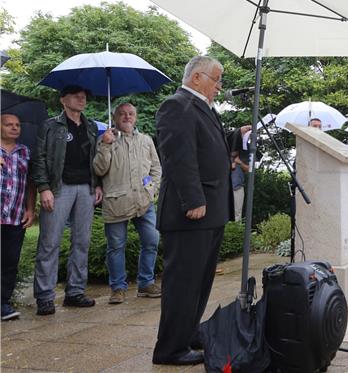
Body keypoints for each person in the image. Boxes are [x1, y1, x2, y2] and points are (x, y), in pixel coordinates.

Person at [152, 55, 248, 366]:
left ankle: (187, 332)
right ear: (196, 78)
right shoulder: (176, 105)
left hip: (211, 210)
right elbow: (179, 157)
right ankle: (169, 348)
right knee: (183, 282)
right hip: (190, 211)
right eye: (215, 79)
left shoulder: (203, 108)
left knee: (200, 280)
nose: (219, 86)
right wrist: (193, 200)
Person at [32, 85, 102, 316]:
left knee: (81, 242)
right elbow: (39, 157)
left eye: (84, 96)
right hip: (58, 188)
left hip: (86, 188)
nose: (82, 99)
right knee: (49, 243)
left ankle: (75, 292)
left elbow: (95, 159)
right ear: (63, 100)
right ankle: (45, 296)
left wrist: (98, 184)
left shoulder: (91, 127)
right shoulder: (51, 126)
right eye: (76, 96)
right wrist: (44, 188)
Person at [93, 103, 162, 304]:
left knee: (151, 241)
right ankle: (117, 288)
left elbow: (156, 168)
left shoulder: (146, 140)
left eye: (131, 113)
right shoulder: (106, 139)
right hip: (116, 202)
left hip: (144, 201)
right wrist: (105, 145)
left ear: (136, 117)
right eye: (122, 114)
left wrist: (152, 189)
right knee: (116, 247)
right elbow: (99, 169)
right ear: (115, 118)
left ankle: (145, 283)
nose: (127, 117)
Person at [1, 114, 36, 321]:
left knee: (9, 261)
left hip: (15, 216)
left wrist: (30, 209)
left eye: (17, 125)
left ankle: (2, 304)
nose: (14, 128)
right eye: (8, 125)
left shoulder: (25, 152)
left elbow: (30, 182)